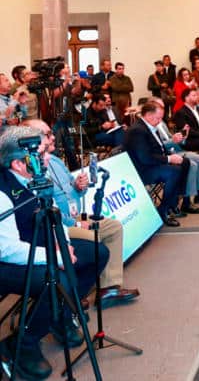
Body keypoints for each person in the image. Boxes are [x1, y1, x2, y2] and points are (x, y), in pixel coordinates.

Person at [0, 127, 106, 380]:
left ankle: (60, 315)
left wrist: (62, 243)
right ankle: (20, 344)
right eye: (41, 153)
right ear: (17, 163)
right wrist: (55, 257)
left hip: (36, 247)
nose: (48, 157)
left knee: (96, 253)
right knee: (59, 278)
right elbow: (7, 248)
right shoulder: (2, 191)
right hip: (7, 260)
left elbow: (54, 213)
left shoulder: (35, 177)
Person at [26, 119, 141, 308]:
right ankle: (72, 294)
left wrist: (79, 187)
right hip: (59, 225)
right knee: (91, 238)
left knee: (113, 227)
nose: (53, 137)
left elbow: (74, 189)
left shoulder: (54, 161)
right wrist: (76, 224)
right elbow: (44, 208)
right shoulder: (33, 169)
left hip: (74, 216)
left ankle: (108, 288)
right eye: (48, 134)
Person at [124, 101, 189, 227]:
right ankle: (162, 209)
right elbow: (145, 158)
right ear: (148, 115)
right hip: (140, 170)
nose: (160, 121)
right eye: (158, 118)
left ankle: (173, 203)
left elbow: (158, 149)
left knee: (184, 162)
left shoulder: (149, 126)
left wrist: (170, 156)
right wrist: (169, 159)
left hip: (152, 164)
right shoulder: (138, 130)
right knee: (174, 171)